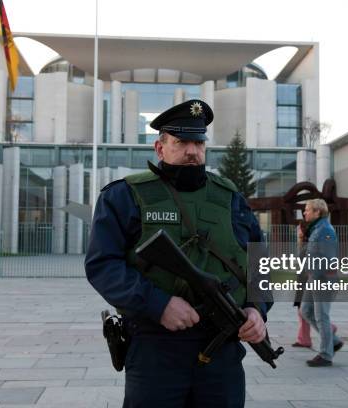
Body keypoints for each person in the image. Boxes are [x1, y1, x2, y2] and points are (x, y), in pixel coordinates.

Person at [85, 99, 271, 408]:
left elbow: (261, 262)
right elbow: (102, 265)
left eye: (198, 142)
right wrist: (159, 305)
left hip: (222, 348)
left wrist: (256, 310)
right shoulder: (125, 196)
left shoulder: (230, 198)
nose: (191, 151)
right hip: (155, 348)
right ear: (160, 148)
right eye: (181, 142)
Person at [300, 199, 344, 367]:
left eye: (307, 210)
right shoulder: (316, 229)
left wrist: (315, 274)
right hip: (315, 279)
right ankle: (333, 341)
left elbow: (329, 260)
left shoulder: (325, 230)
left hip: (323, 280)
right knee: (305, 310)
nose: (304, 213)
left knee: (321, 316)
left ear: (318, 212)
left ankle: (326, 355)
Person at [292, 223, 337, 349]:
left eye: (299, 230)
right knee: (302, 311)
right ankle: (303, 338)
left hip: (309, 280)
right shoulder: (304, 244)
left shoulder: (310, 244)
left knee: (308, 311)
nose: (298, 233)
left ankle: (330, 331)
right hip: (303, 280)